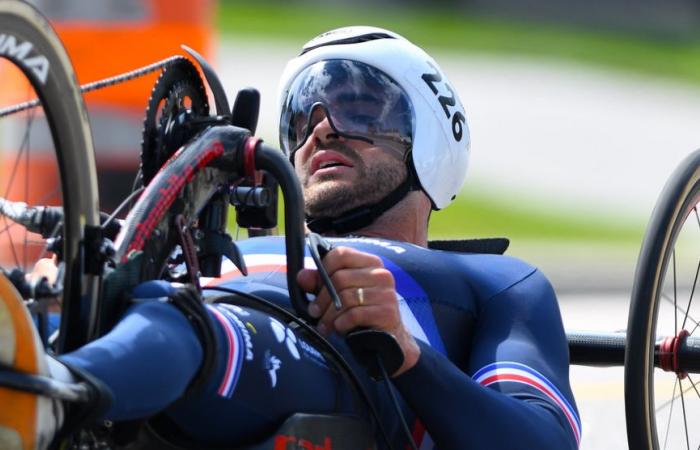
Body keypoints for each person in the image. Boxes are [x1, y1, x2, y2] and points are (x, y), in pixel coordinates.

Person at [0, 26, 580, 450]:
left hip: (291, 353)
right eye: (305, 117)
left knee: (183, 318)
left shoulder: (497, 282)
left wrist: (407, 351)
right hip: (165, 329)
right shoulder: (240, 248)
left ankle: (51, 396)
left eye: (358, 107)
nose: (321, 127)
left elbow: (540, 441)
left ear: (428, 138)